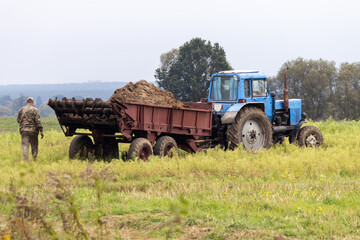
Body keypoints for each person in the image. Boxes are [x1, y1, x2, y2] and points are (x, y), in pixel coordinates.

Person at [17, 97, 44, 161]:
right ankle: (34, 159)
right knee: (34, 146)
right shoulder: (35, 110)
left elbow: (18, 120)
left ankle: (26, 161)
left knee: (25, 146)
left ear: (26, 102)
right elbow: (38, 121)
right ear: (33, 102)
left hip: (24, 130)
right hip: (33, 131)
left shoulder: (21, 109)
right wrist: (41, 131)